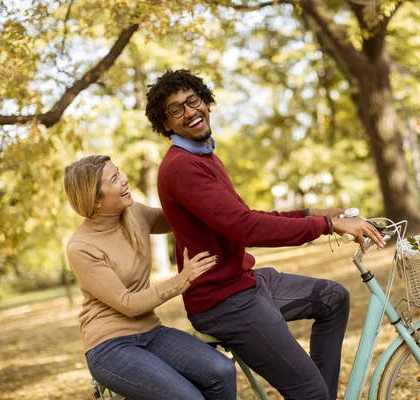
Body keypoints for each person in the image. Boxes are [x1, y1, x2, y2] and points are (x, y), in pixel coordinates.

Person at [145, 69, 386, 400]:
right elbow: (247, 228)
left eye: (193, 101)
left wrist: (310, 214)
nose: (189, 112)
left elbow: (245, 215)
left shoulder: (203, 155)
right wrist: (326, 227)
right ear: (166, 123)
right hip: (224, 302)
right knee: (310, 393)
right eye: (176, 109)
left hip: (244, 283)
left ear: (206, 102)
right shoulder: (182, 168)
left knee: (333, 299)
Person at [64, 155, 237, 400]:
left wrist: (207, 195)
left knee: (221, 370)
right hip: (109, 347)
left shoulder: (135, 213)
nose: (125, 180)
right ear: (95, 200)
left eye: (119, 172)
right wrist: (183, 279)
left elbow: (177, 218)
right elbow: (129, 304)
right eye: (114, 179)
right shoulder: (81, 247)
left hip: (152, 333)